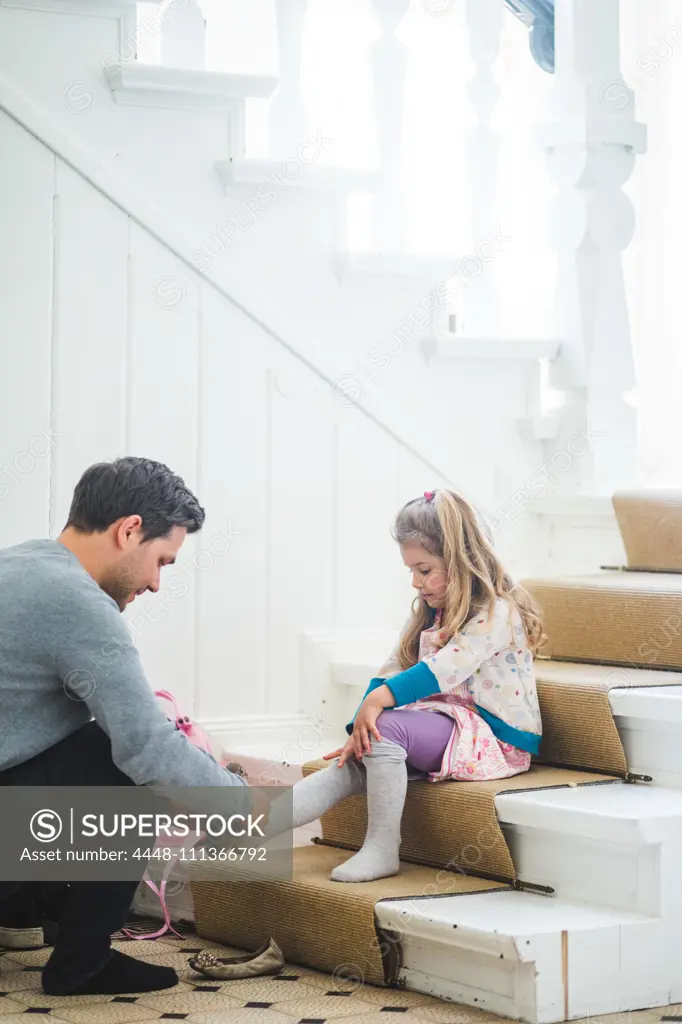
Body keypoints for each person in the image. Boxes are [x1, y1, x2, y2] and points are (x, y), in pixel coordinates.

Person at [0, 457, 249, 996]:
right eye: (161, 560)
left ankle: (25, 907)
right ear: (128, 530)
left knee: (77, 747)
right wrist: (241, 805)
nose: (157, 583)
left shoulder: (15, 565)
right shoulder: (76, 601)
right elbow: (147, 748)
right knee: (122, 766)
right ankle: (82, 964)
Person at [285, 487, 544, 883]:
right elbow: (392, 668)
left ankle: (382, 848)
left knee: (384, 728)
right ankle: (242, 831)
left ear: (460, 560)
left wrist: (380, 706)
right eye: (411, 571)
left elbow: (447, 667)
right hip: (440, 725)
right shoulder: (431, 612)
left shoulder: (497, 612)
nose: (415, 582)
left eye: (424, 570)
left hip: (491, 736)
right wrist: (360, 726)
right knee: (357, 757)